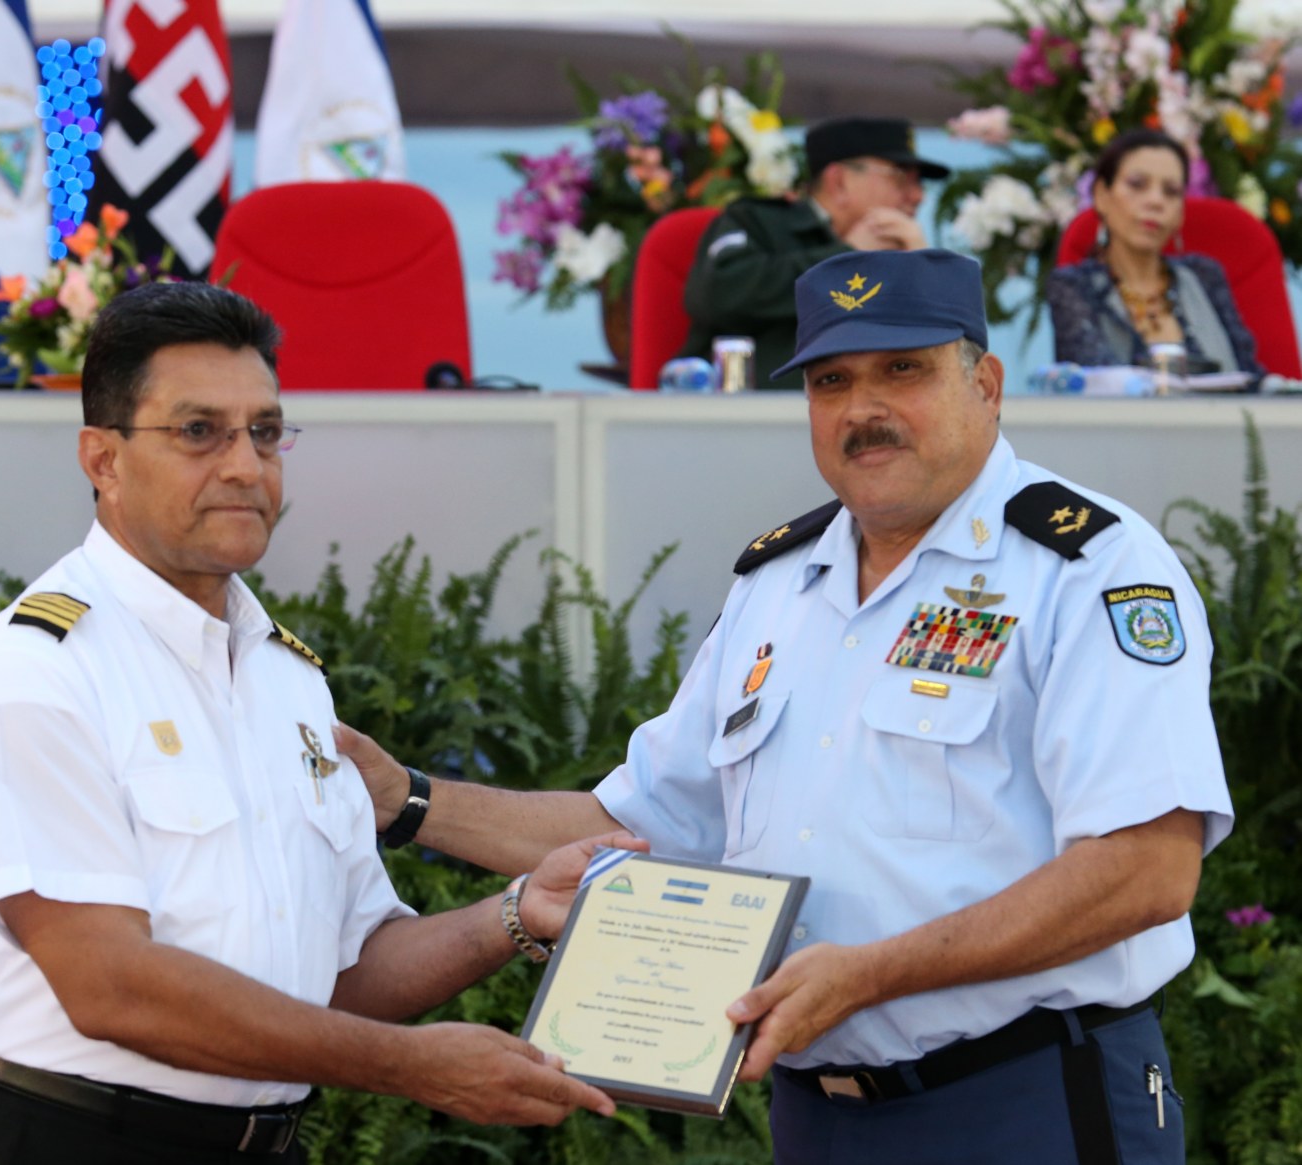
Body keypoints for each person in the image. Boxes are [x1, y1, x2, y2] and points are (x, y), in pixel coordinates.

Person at [342, 249, 1233, 1164]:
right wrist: (407, 800)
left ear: (987, 385)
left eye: (903, 370)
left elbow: (1147, 868)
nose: (863, 408)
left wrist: (874, 974)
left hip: (1028, 1101)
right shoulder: (777, 585)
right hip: (818, 1119)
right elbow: (641, 827)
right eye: (830, 381)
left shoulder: (1087, 568)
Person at [0, 280, 625, 1165]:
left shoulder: (286, 676)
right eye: (198, 431)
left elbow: (342, 972)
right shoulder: (37, 670)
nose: (246, 467)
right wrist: (411, 1067)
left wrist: (515, 912)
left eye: (264, 431)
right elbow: (111, 986)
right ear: (103, 459)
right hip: (72, 1139)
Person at [675, 116, 949, 388]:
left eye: (920, 183)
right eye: (900, 178)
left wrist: (923, 270)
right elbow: (717, 293)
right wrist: (846, 257)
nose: (918, 196)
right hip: (754, 408)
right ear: (839, 182)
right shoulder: (757, 221)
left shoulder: (899, 254)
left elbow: (943, 360)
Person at [1046, 127, 1263, 376]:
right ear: (1101, 195)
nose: (1155, 201)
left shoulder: (1205, 275)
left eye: (1171, 191)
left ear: (1181, 211)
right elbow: (1096, 380)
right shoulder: (1073, 286)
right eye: (1138, 185)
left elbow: (1250, 377)